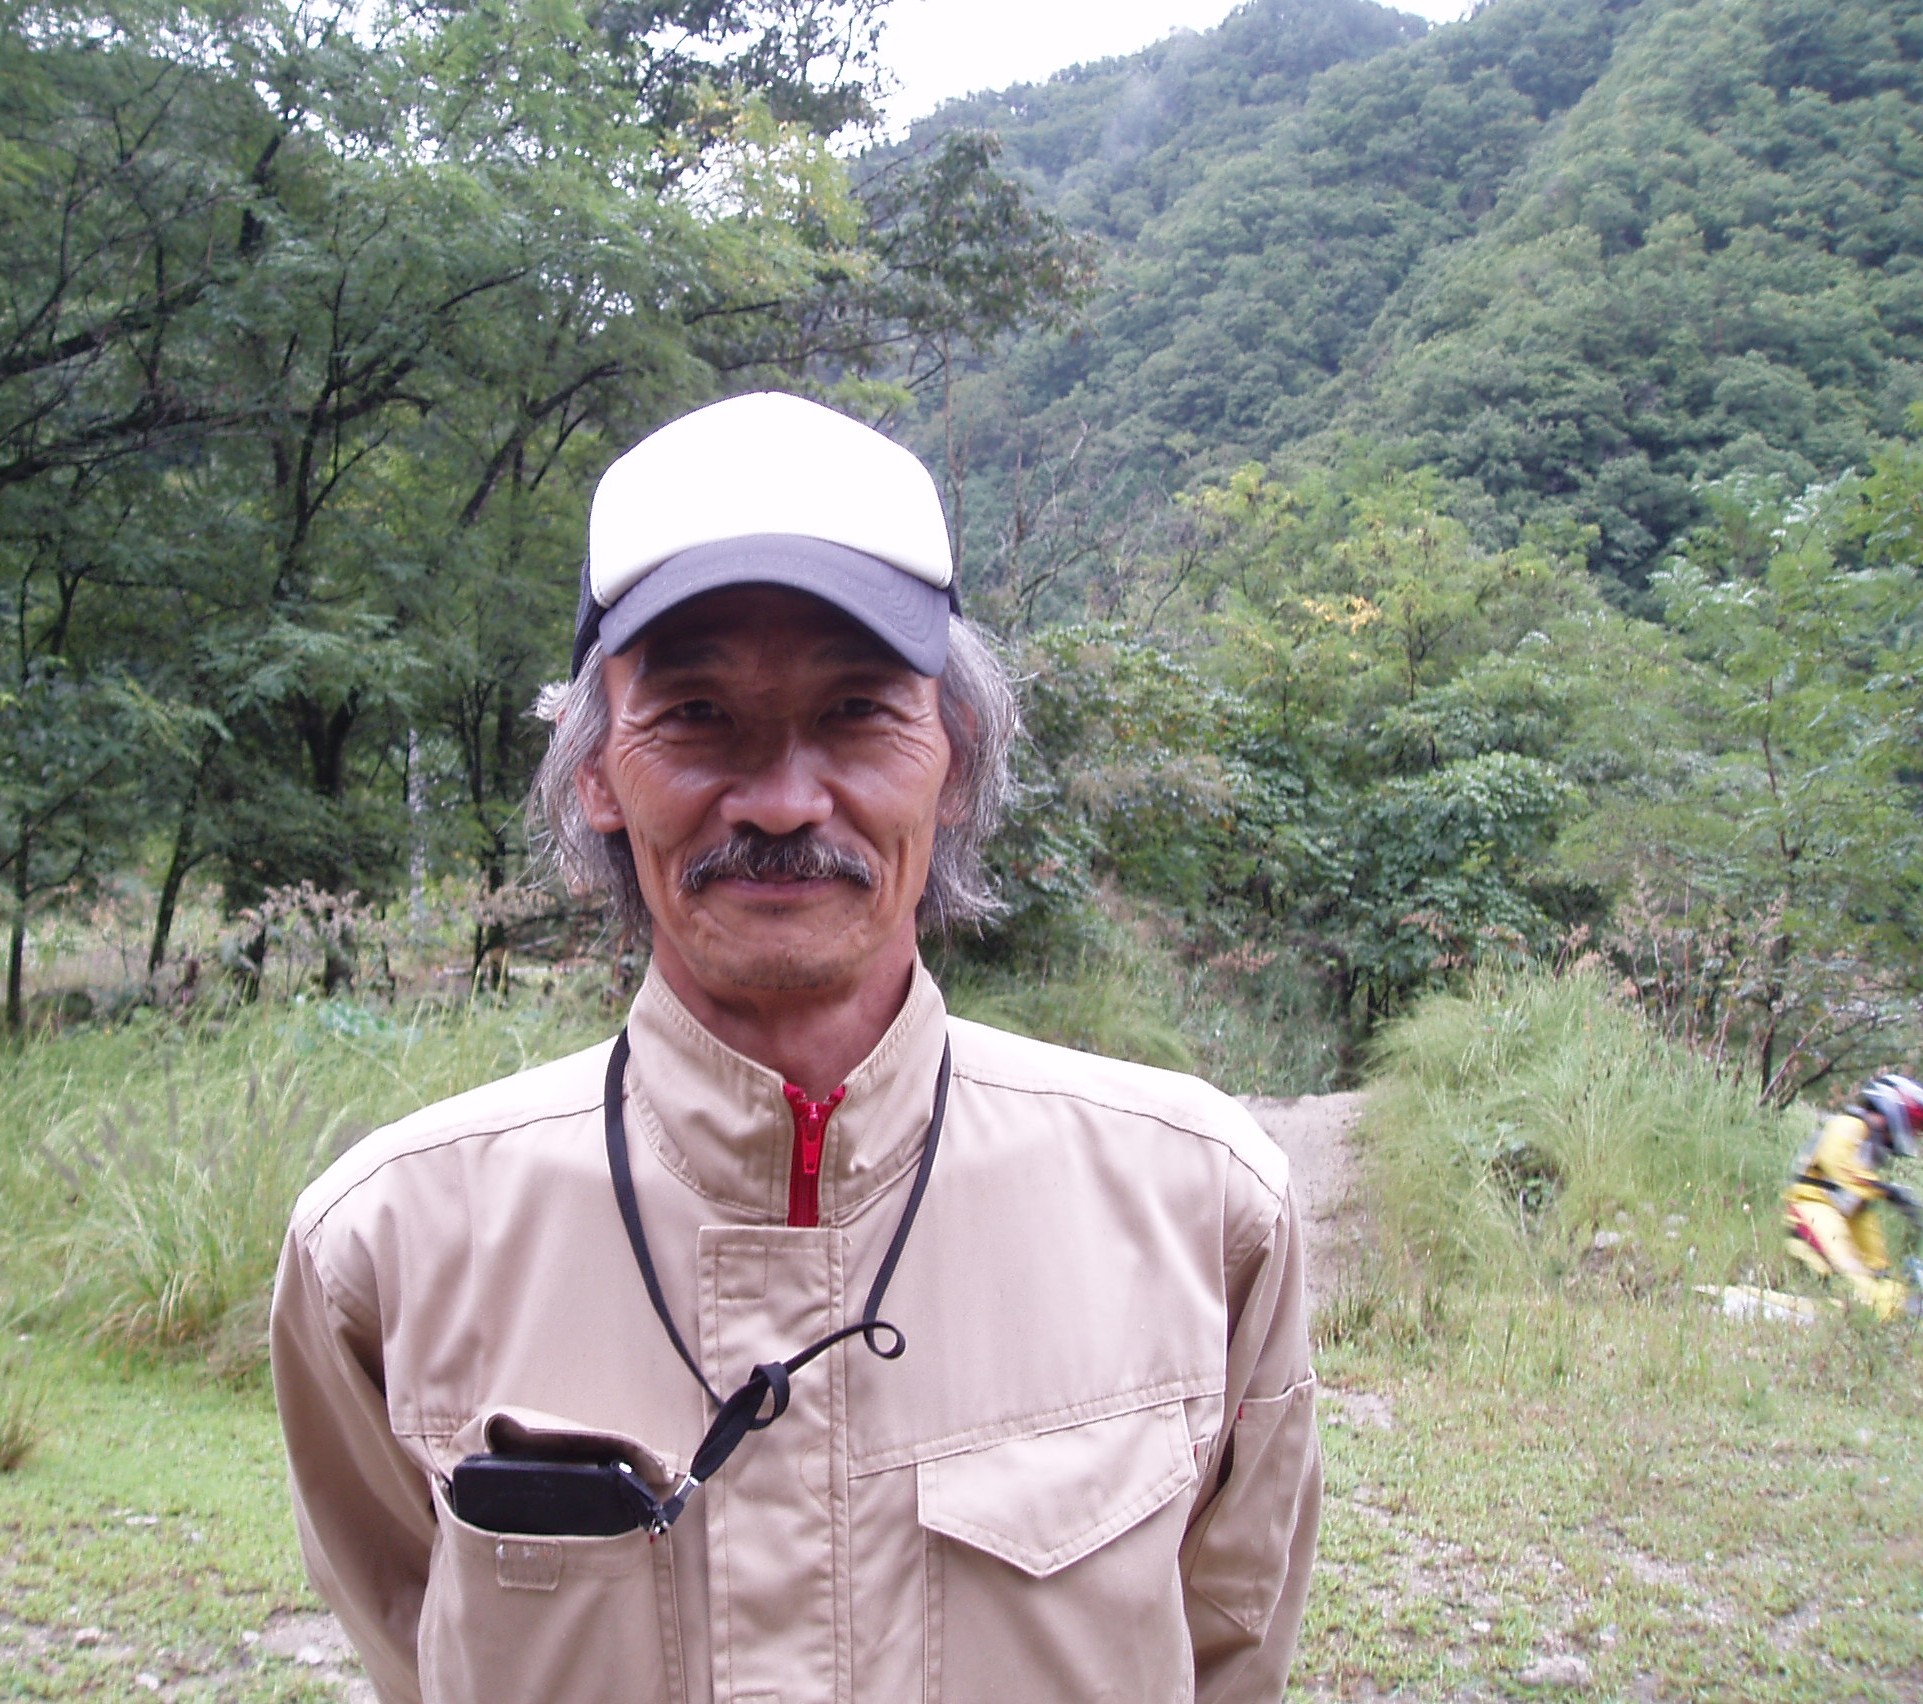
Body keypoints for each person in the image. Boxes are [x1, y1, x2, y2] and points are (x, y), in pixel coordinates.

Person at [269, 391, 1323, 1704]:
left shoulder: (1203, 1210)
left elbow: (1228, 1656)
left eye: (857, 710)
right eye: (696, 714)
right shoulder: (385, 1251)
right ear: (595, 772)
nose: (779, 800)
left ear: (954, 758)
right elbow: (409, 1641)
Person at [1783, 1072, 1923, 1318]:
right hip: (1810, 1214)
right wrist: (1886, 1190)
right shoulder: (1849, 1125)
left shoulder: (1867, 1154)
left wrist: (1880, 1270)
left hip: (1832, 1220)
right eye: (1912, 1126)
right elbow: (1835, 1161)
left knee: (1866, 1292)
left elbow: (1863, 1220)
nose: (1911, 1134)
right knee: (1860, 1294)